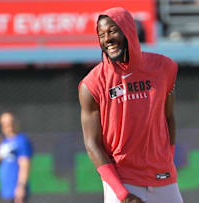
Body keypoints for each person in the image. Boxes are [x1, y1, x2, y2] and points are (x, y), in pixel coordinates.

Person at [78, 7, 183, 203]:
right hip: (124, 183)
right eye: (101, 35)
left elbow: (168, 117)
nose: (106, 38)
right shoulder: (91, 85)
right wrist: (121, 193)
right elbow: (92, 144)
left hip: (163, 178)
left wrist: (166, 160)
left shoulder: (164, 68)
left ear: (128, 30)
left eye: (112, 31)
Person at [0, 111, 33, 203]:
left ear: (15, 122)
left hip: (17, 191)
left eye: (10, 122)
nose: (7, 125)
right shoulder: (3, 142)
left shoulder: (21, 140)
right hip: (5, 191)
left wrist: (21, 186)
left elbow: (25, 164)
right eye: (4, 123)